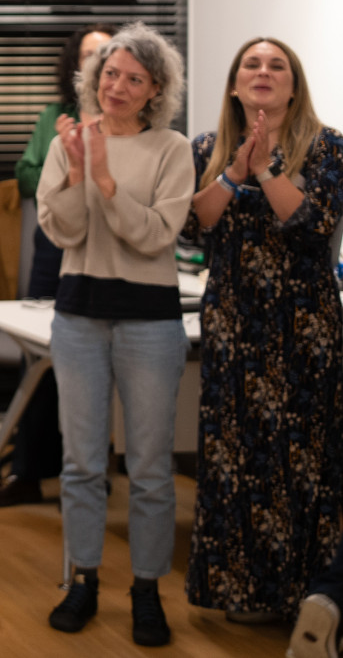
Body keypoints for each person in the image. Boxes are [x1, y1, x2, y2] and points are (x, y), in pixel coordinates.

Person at [37, 22, 194, 647]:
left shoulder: (172, 149)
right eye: (110, 74)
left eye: (134, 78)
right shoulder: (68, 141)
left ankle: (147, 589)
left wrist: (104, 179)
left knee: (151, 468)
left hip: (150, 321)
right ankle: (82, 580)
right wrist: (78, 172)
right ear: (93, 79)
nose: (118, 86)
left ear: (155, 89)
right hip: (78, 316)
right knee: (81, 464)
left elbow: (157, 234)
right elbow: (64, 233)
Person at [184, 37, 343, 627]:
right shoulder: (204, 146)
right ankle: (242, 591)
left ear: (294, 87)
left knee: (302, 457)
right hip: (234, 323)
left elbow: (311, 224)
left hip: (306, 326)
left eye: (277, 65)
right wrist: (233, 170)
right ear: (234, 83)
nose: (263, 72)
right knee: (235, 457)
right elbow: (195, 222)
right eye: (251, 63)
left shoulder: (329, 148)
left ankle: (306, 596)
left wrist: (268, 168)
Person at [0, 24, 115, 507]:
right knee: (40, 358)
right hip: (53, 247)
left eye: (105, 54)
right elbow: (24, 175)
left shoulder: (132, 121)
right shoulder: (53, 115)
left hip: (105, 248)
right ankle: (27, 471)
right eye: (87, 55)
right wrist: (67, 160)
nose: (96, 63)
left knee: (96, 362)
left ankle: (87, 476)